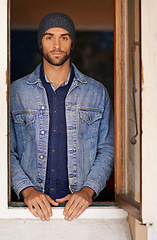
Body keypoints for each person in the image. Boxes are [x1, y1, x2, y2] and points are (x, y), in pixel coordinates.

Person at [11, 12, 114, 222]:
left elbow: (107, 148)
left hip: (81, 212)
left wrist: (88, 190)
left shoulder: (97, 92)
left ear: (72, 43)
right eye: (49, 37)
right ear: (40, 42)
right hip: (28, 210)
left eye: (64, 37)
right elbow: (5, 150)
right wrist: (27, 189)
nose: (56, 45)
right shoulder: (16, 92)